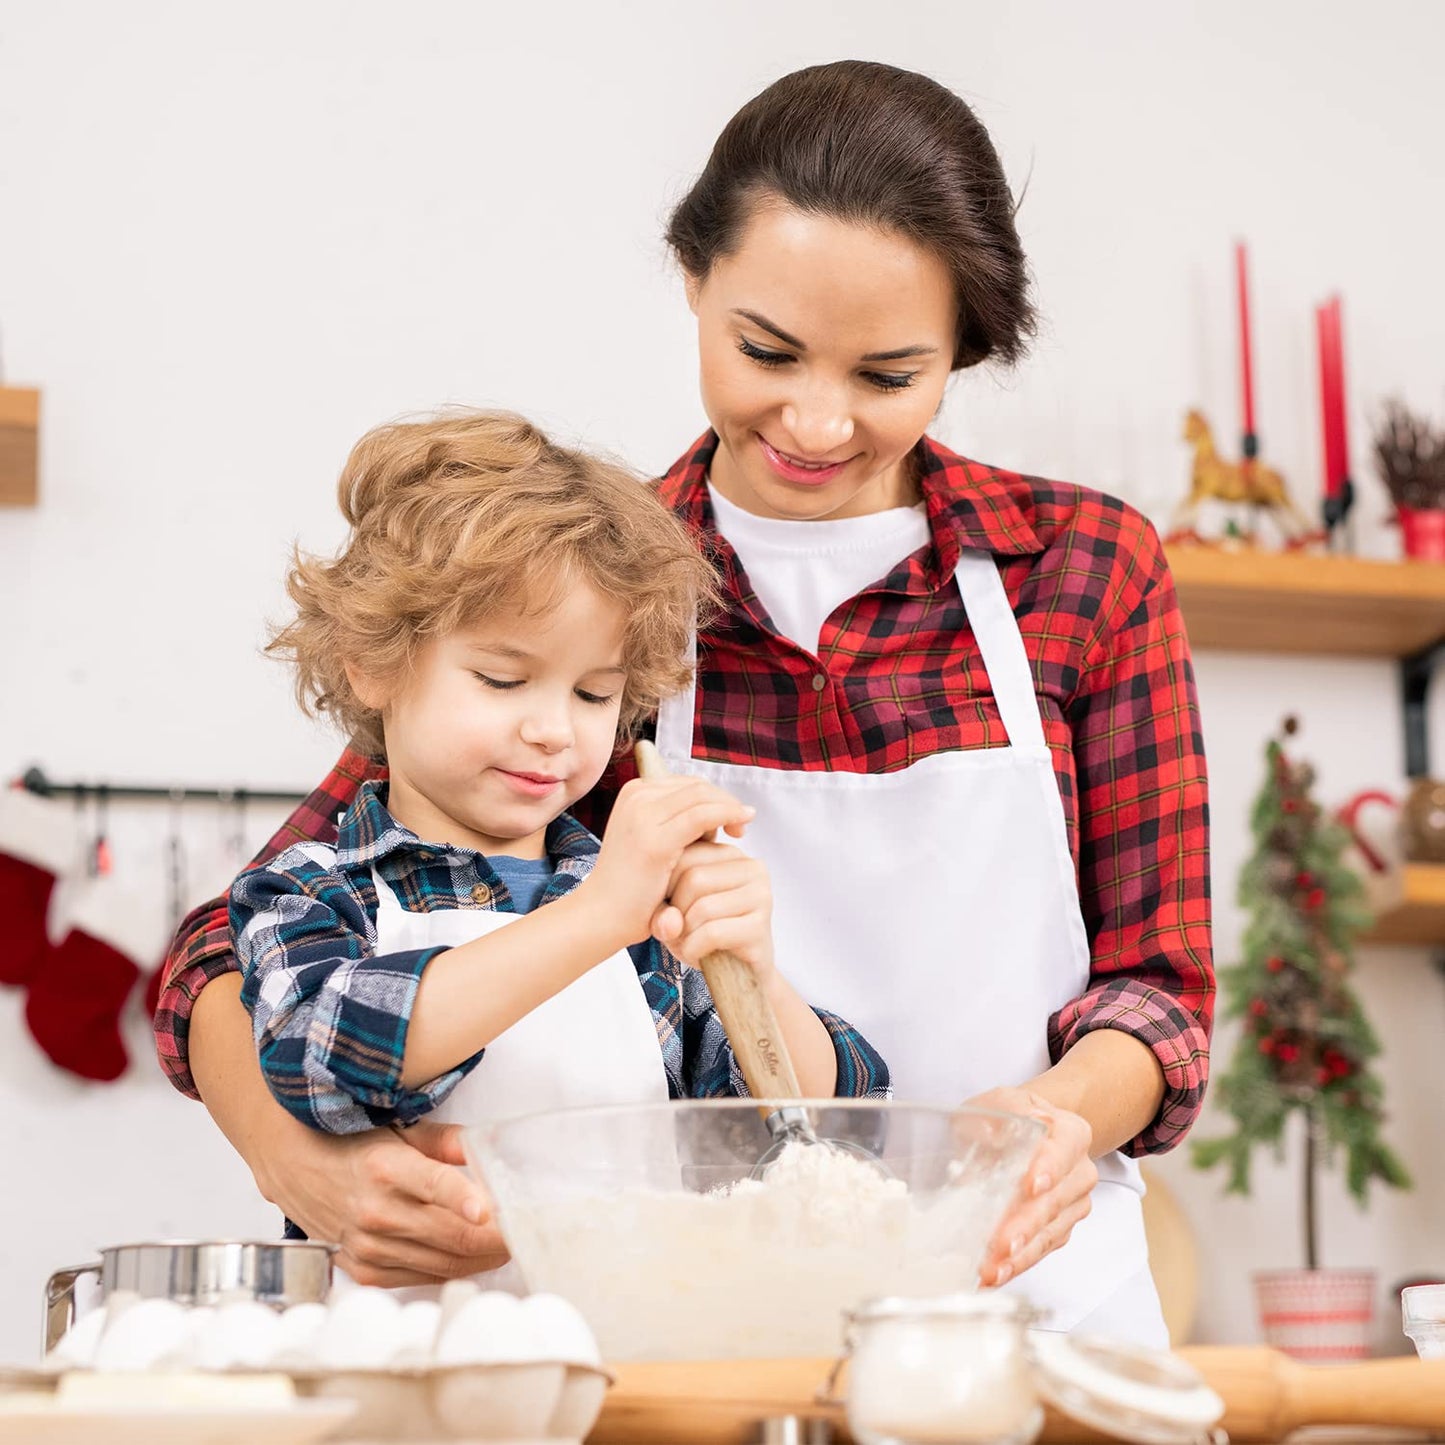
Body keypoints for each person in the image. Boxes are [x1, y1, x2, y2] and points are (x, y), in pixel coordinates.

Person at [155, 61, 1212, 1344]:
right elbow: (231, 944)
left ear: (964, 354)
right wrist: (297, 1165)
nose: (816, 420)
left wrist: (1051, 1123)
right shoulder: (590, 585)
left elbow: (1157, 992)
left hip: (1037, 1276)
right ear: (693, 279)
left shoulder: (1084, 568)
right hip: (717, 1297)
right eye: (765, 350)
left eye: (887, 375)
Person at [229, 409, 886, 1197]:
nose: (552, 731)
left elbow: (819, 1129)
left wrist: (756, 972)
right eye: (502, 680)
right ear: (371, 664)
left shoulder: (648, 921)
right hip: (414, 1322)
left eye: (592, 692)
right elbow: (321, 1060)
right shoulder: (307, 890)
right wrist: (596, 916)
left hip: (630, 1318)